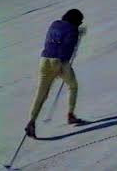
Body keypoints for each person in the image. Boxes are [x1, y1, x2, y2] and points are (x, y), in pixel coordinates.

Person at [25, 9, 86, 138]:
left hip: (44, 60)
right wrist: (77, 35)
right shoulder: (73, 30)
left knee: (41, 93)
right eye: (79, 21)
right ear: (76, 20)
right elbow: (68, 47)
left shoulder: (54, 24)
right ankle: (70, 115)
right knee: (73, 85)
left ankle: (31, 121)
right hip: (59, 61)